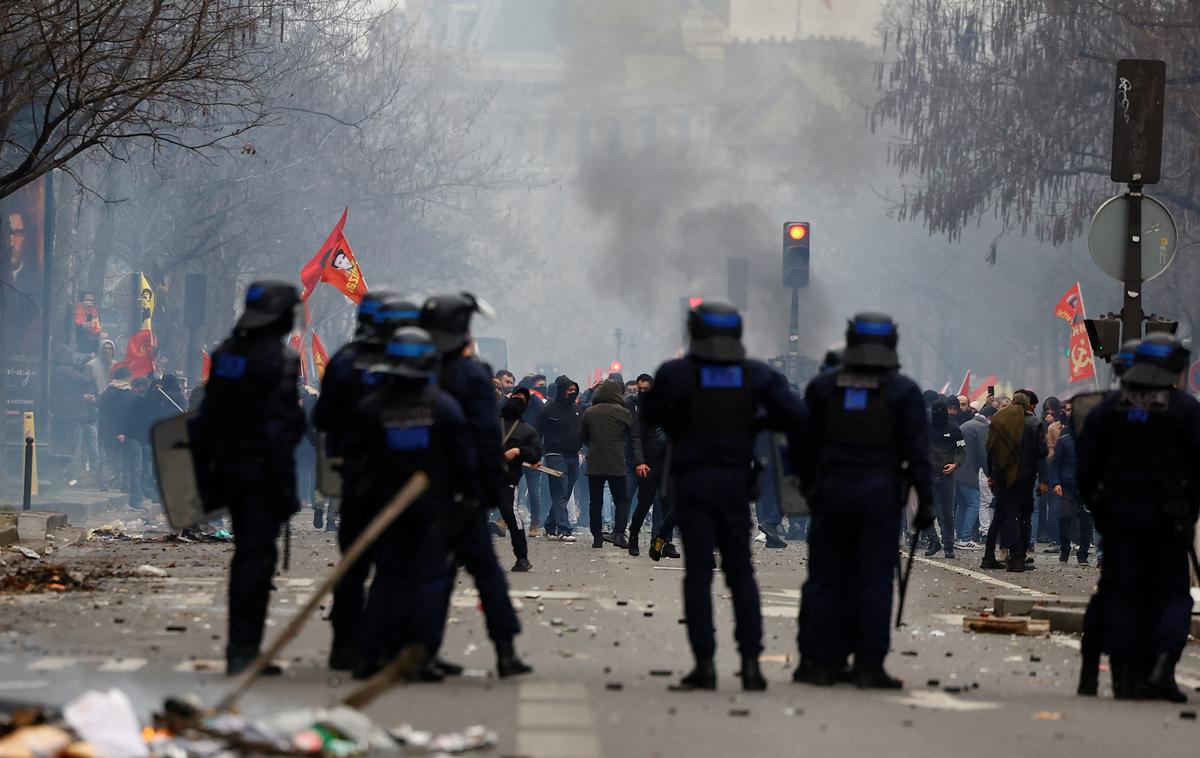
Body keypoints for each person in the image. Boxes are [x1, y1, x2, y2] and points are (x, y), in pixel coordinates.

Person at [643, 301, 807, 692]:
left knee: (698, 574)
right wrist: (754, 424)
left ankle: (704, 665)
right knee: (740, 573)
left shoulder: (676, 373)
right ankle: (751, 664)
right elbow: (794, 416)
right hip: (735, 481)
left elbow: (649, 414)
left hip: (693, 481)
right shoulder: (754, 374)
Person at [796, 312, 931, 689]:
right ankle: (869, 665)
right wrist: (928, 502)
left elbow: (804, 446)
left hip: (833, 491)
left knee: (827, 577)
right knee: (874, 580)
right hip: (881, 495)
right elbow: (918, 454)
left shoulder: (822, 387)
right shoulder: (903, 391)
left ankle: (821, 662)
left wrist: (810, 486)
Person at [188, 281, 306, 676]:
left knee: (246, 555)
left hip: (227, 469)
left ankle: (242, 648)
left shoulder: (225, 355)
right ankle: (244, 652)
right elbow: (283, 426)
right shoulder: (281, 360)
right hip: (263, 473)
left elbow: (207, 418)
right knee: (257, 558)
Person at [1077, 334, 1200, 701]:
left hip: (1118, 517)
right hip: (1169, 519)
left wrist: (1100, 508)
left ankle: (1125, 671)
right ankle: (1162, 664)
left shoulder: (1107, 408)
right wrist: (1189, 509)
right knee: (1173, 594)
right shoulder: (1185, 410)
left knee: (1122, 591)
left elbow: (1087, 469)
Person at [350, 327, 477, 678]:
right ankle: (418, 655)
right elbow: (464, 460)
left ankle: (371, 653)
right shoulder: (444, 407)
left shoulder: (372, 407)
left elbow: (356, 461)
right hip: (432, 509)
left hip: (385, 506)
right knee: (428, 582)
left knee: (387, 578)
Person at [420, 292, 531, 679]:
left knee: (432, 572)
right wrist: (489, 487)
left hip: (422, 486)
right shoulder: (471, 374)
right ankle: (504, 651)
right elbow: (487, 437)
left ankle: (424, 651)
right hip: (463, 487)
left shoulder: (417, 368)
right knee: (486, 572)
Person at [312, 291, 415, 669]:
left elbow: (321, 420)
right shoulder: (411, 362)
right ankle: (378, 644)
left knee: (353, 561)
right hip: (401, 478)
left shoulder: (344, 361)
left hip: (355, 474)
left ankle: (343, 645)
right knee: (394, 563)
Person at [983, 392, 1046, 572]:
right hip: (1025, 477)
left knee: (1001, 516)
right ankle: (1018, 557)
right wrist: (1043, 479)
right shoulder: (1034, 423)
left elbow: (991, 450)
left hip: (1002, 475)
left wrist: (992, 474)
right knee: (1022, 516)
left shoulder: (999, 419)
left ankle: (988, 555)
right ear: (1027, 406)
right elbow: (1041, 453)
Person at [580, 378, 645, 549]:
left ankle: (597, 537)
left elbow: (583, 437)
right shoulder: (624, 413)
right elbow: (634, 437)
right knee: (621, 500)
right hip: (617, 463)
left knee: (595, 501)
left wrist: (595, 445)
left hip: (595, 463)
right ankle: (618, 534)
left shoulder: (590, 412)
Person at [626, 373, 671, 556]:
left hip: (666, 464)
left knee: (667, 506)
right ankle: (634, 535)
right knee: (644, 503)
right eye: (640, 389)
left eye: (646, 389)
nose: (643, 392)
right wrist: (640, 462)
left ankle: (663, 543)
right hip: (648, 464)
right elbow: (636, 438)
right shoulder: (640, 411)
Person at [534, 375, 582, 541]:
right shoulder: (548, 410)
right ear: (561, 391)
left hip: (573, 456)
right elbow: (536, 433)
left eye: (574, 390)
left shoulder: (577, 409)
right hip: (555, 455)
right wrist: (535, 454)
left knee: (566, 491)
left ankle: (550, 524)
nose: (572, 393)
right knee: (560, 490)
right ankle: (564, 529)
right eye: (569, 390)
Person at [499, 387, 542, 571]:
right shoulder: (490, 423)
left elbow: (535, 454)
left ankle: (522, 557)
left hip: (508, 480)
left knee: (512, 516)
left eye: (522, 399)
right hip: (483, 477)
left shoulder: (527, 430)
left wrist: (518, 451)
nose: (517, 400)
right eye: (515, 396)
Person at [924, 399, 965, 558]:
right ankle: (934, 540)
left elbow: (962, 451)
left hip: (947, 476)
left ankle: (949, 545)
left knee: (948, 513)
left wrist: (956, 465)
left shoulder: (954, 429)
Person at [1048, 410, 1088, 564]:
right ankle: (1065, 549)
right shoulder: (1064, 441)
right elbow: (1055, 464)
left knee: (1085, 521)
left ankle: (1082, 554)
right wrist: (1056, 483)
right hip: (1067, 486)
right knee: (1065, 517)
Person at [955, 403, 993, 548]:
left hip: (957, 468)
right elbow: (984, 454)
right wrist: (990, 474)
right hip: (968, 471)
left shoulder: (967, 424)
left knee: (963, 504)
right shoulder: (981, 427)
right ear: (990, 417)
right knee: (973, 503)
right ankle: (965, 538)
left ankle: (959, 537)